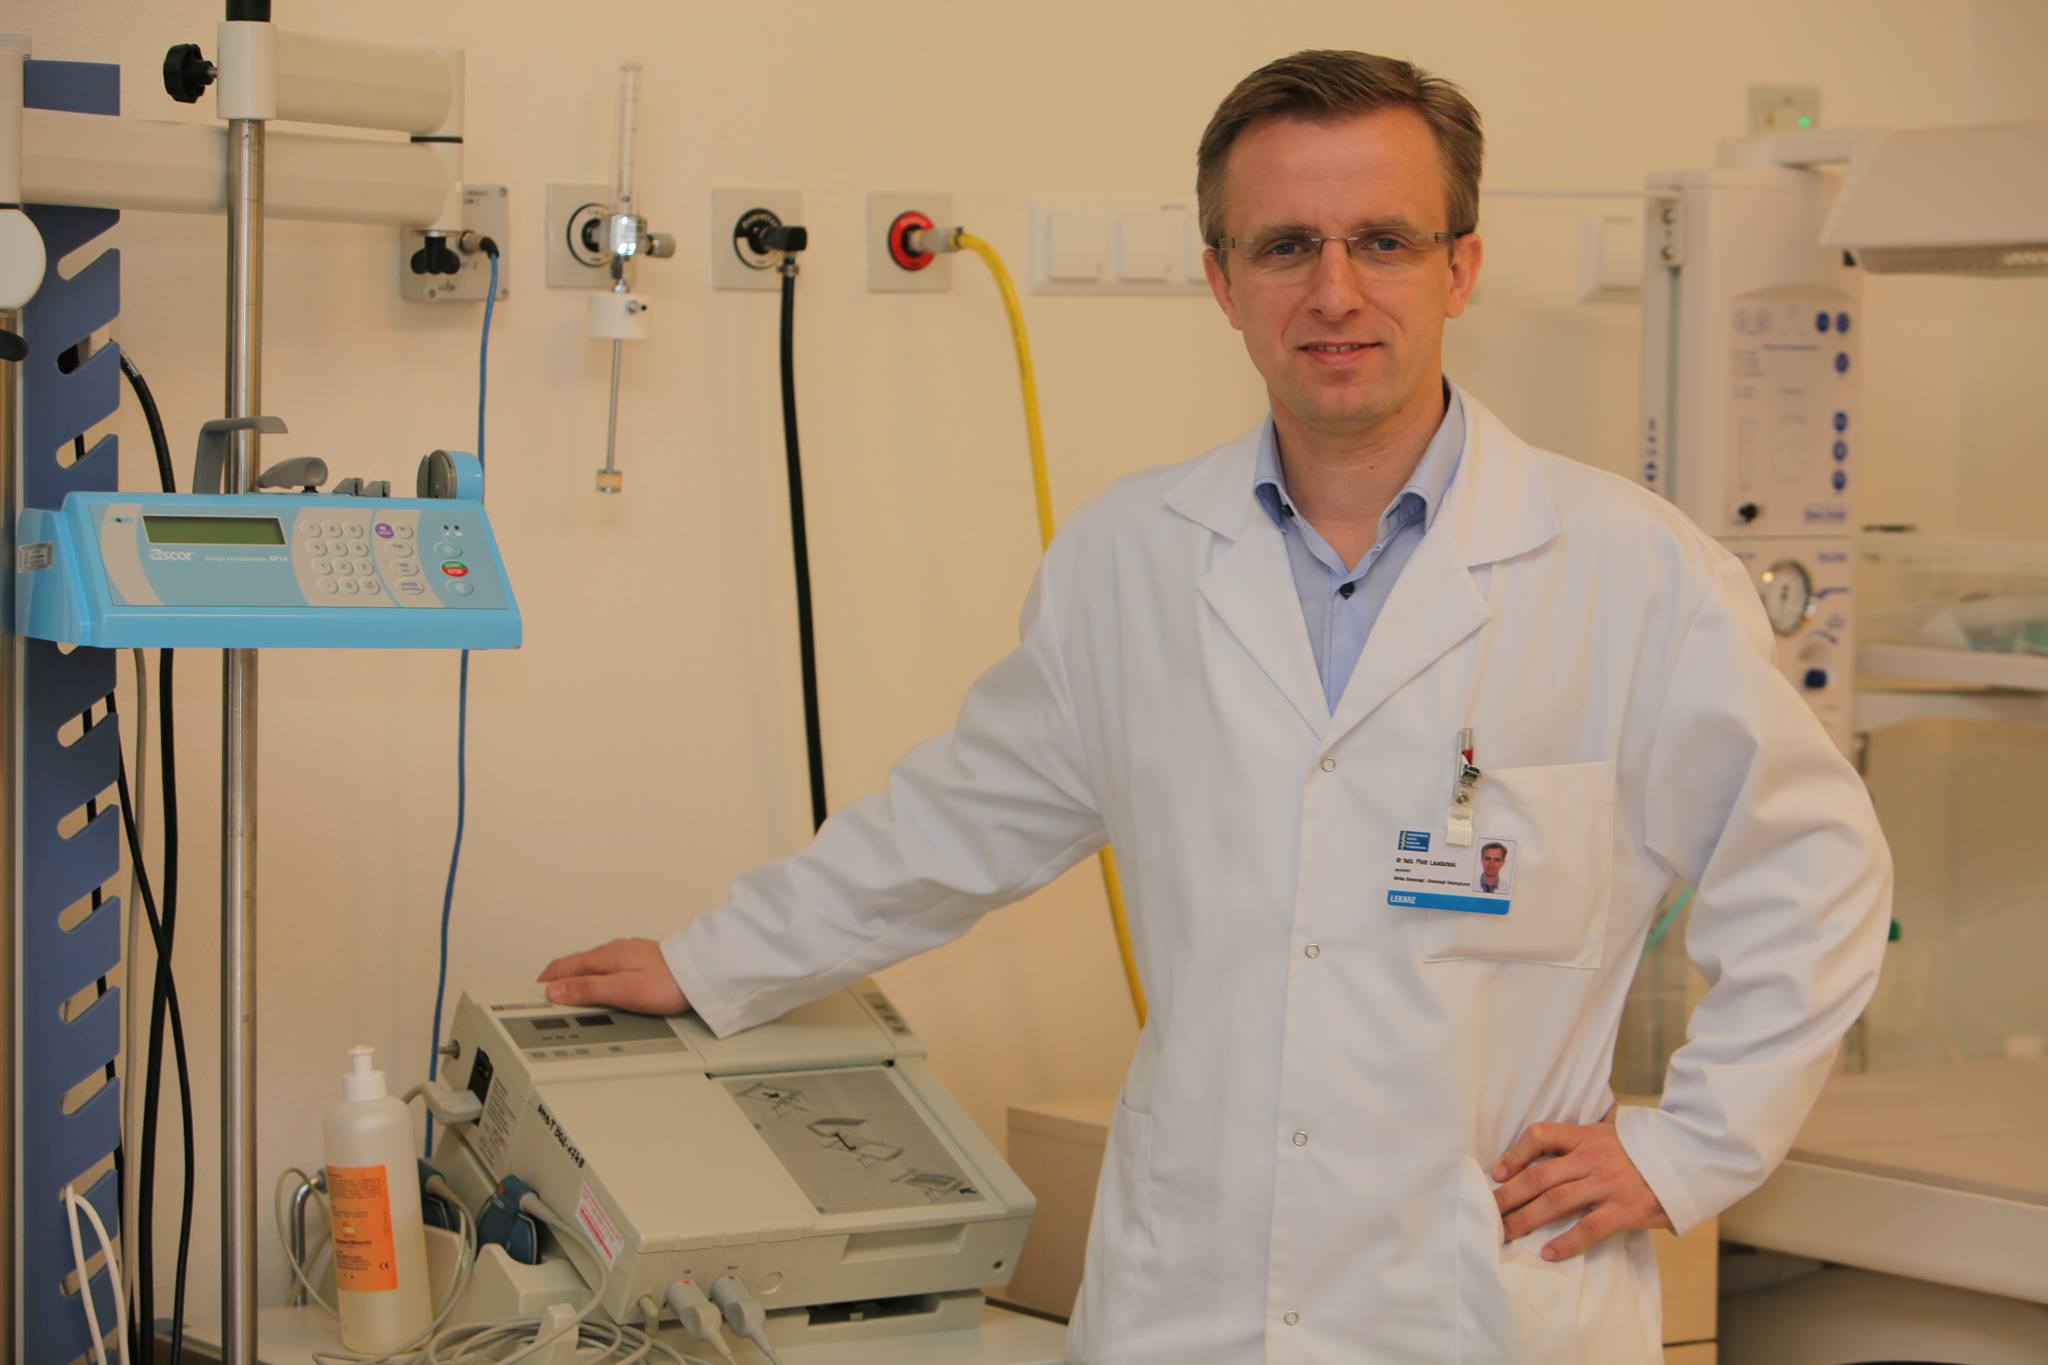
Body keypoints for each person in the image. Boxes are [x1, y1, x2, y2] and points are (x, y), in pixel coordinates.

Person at [540, 49, 1891, 1363]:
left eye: (1384, 241)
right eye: (1285, 246)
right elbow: (952, 825)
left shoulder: (1631, 574)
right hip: (1193, 1300)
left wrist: (1685, 1149)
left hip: (1478, 1302)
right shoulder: (1131, 561)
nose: (1335, 291)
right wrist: (713, 962)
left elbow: (1814, 870)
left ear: (1461, 267)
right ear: (1222, 281)